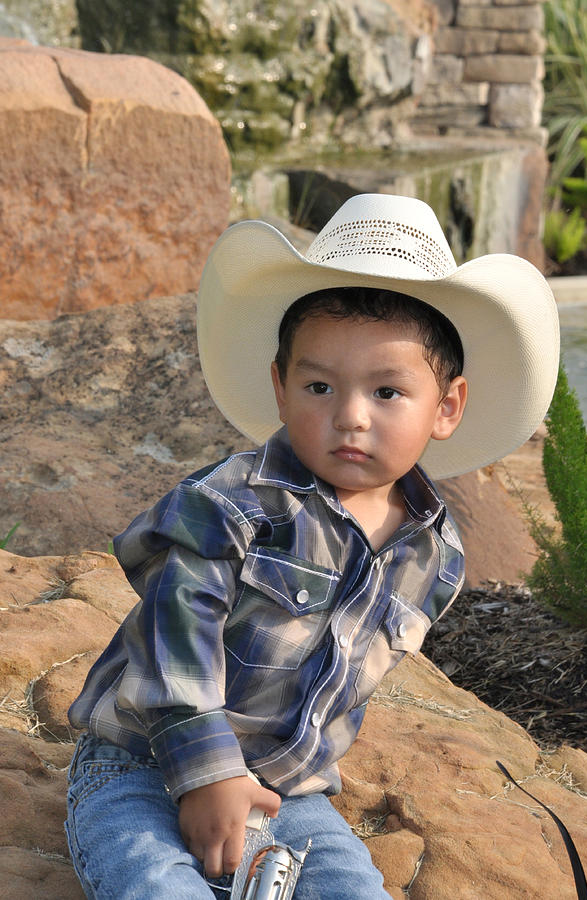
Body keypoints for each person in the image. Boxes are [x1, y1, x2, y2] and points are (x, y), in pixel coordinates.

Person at [65, 193, 559, 899]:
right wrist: (207, 774)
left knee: (350, 889)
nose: (349, 417)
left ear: (446, 407)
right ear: (280, 385)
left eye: (387, 392)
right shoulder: (230, 503)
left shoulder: (433, 554)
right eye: (319, 385)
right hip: (142, 762)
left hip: (287, 792)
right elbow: (173, 637)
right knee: (154, 884)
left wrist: (271, 785)